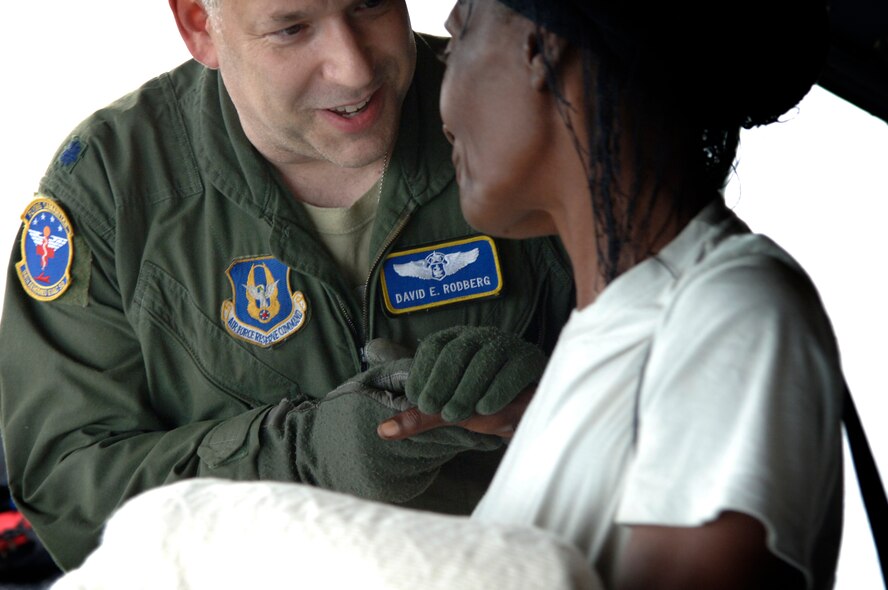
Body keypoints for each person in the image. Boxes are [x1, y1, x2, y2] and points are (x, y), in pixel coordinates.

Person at [0, 0, 574, 571]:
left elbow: (651, 379)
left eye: (370, 4)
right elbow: (69, 493)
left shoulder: (523, 106)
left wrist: (543, 395)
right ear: (200, 25)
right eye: (292, 28)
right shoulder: (113, 185)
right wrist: (307, 457)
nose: (353, 67)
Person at [434, 0, 844, 588]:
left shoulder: (727, 311)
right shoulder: (611, 328)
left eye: (456, 42)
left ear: (539, 46)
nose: (443, 112)